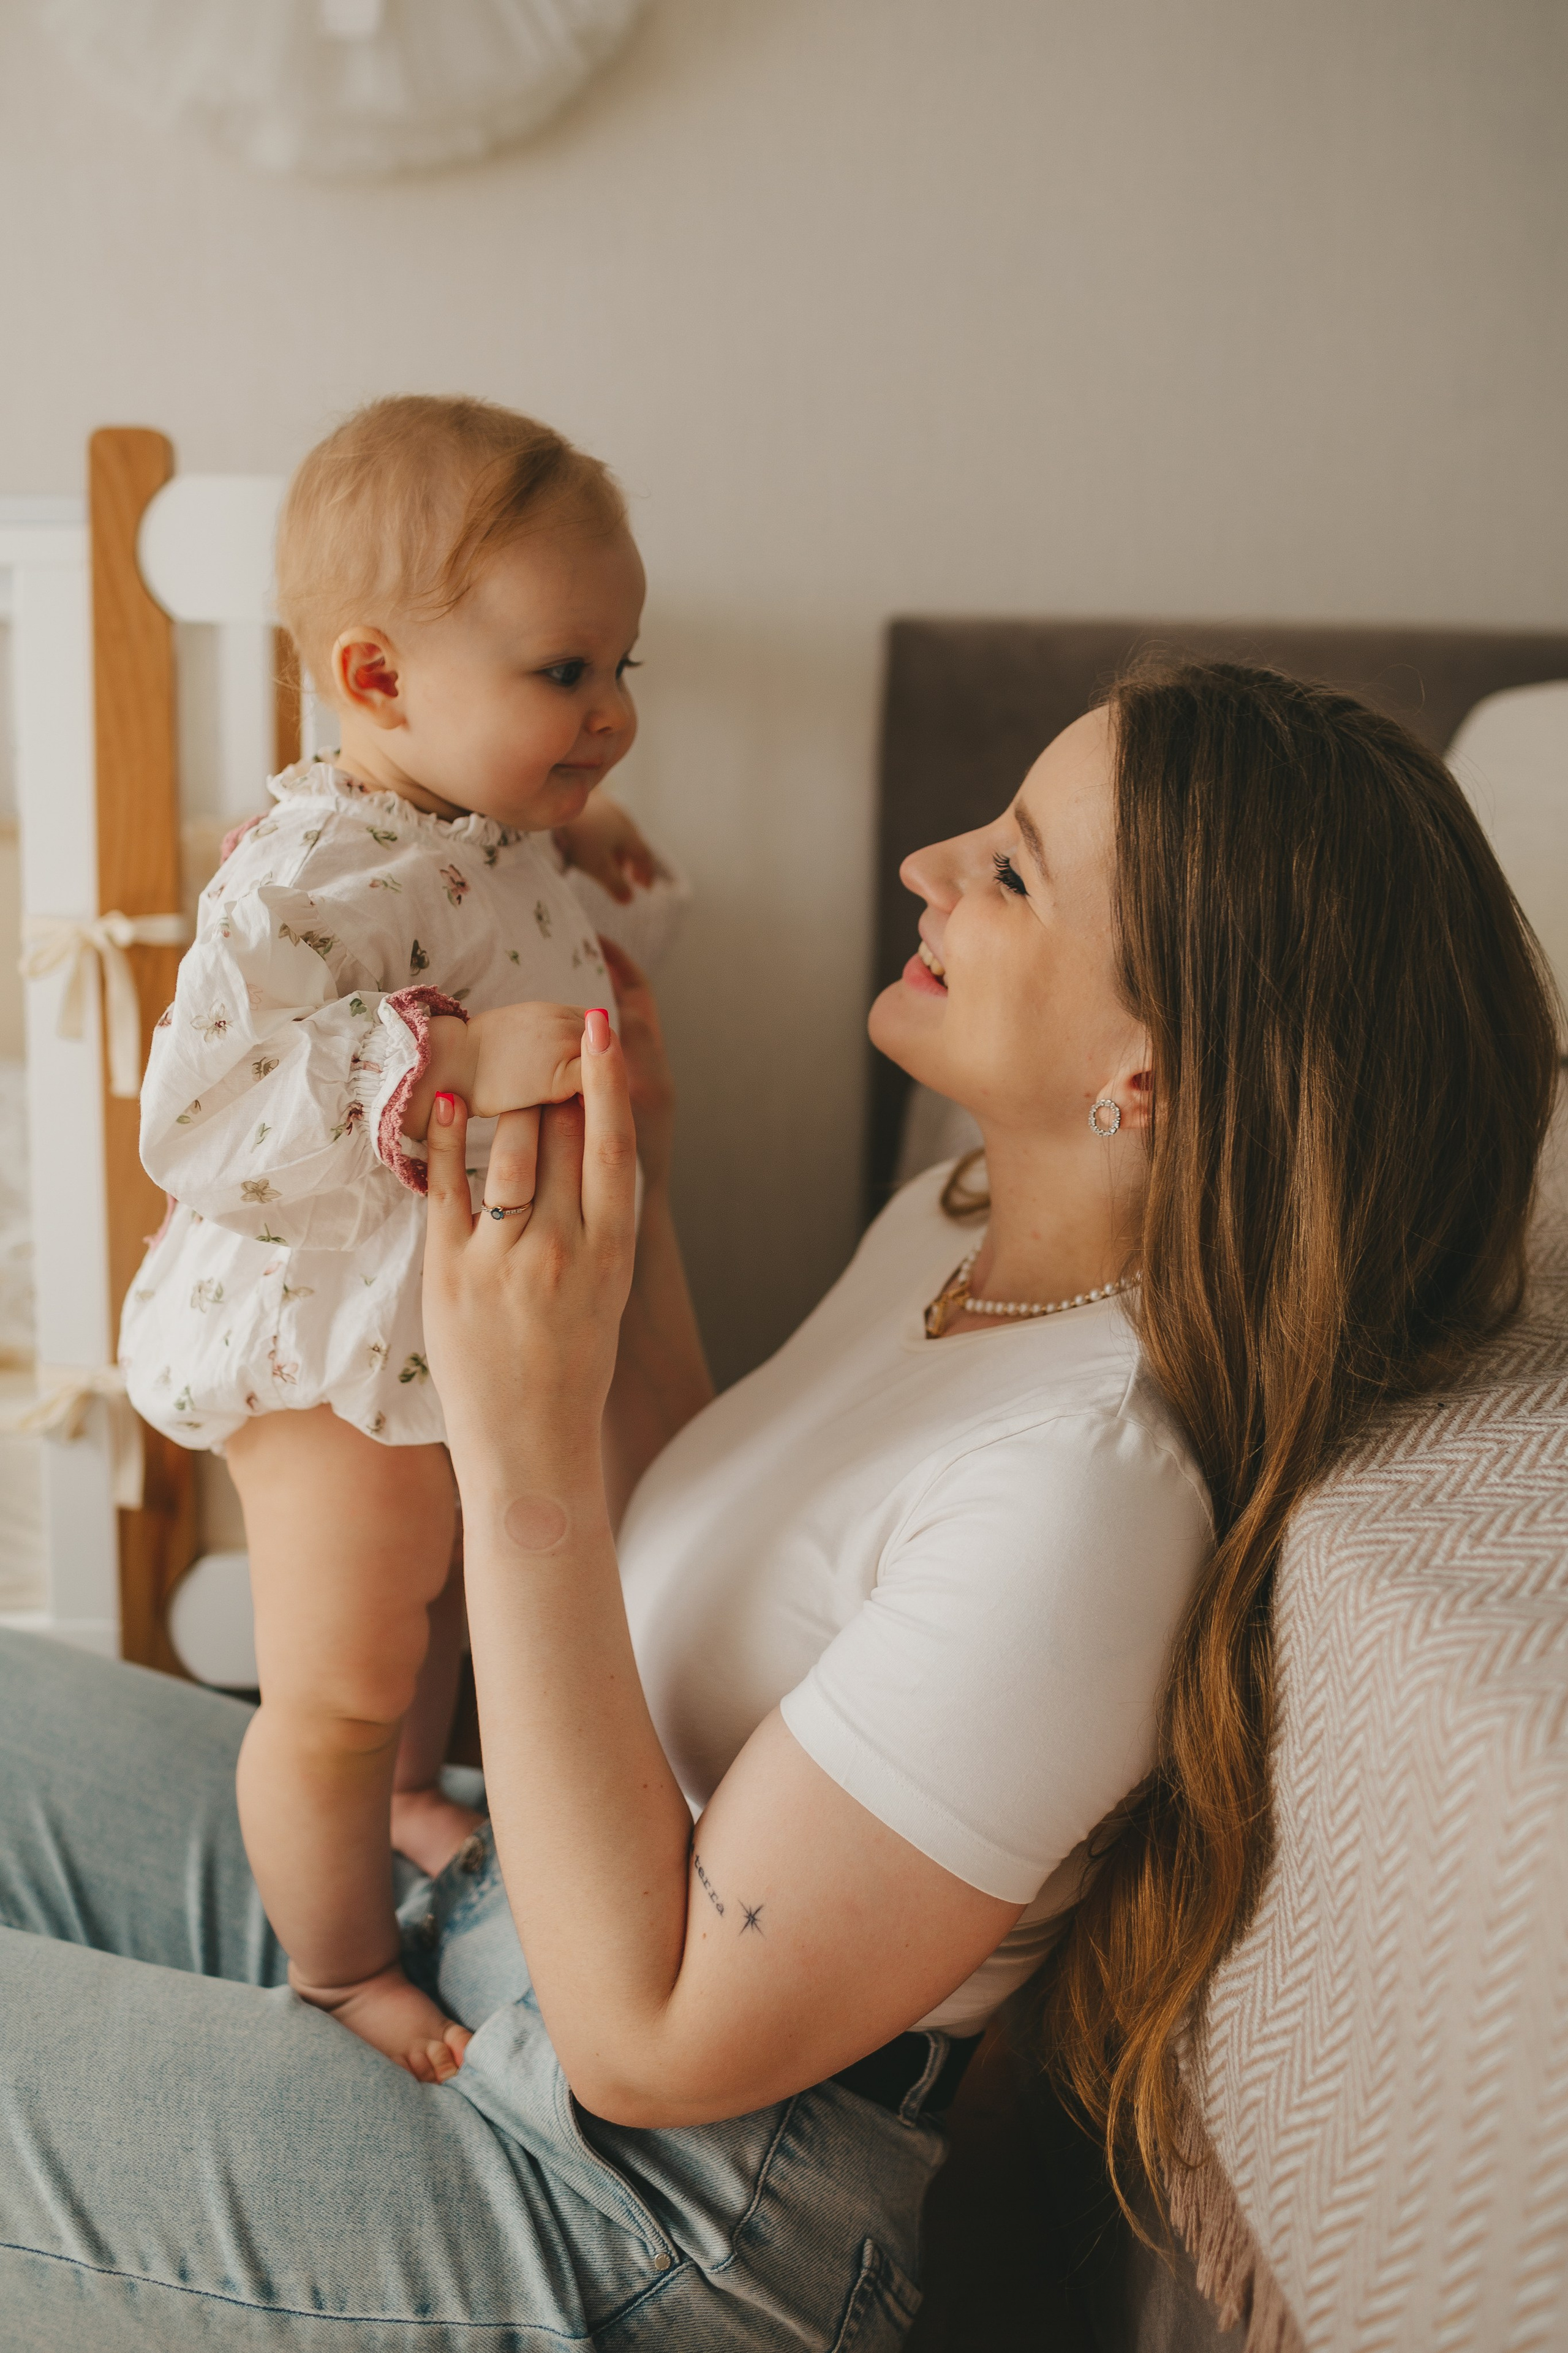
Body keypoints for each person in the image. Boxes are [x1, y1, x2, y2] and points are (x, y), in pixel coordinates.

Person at [0, 662, 1553, 2350]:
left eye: (1014, 869)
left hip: (653, 2212)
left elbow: (654, 2041)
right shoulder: (965, 1225)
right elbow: (696, 1527)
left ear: (1154, 1069)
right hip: (525, 1916)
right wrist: (631, 1175)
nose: (931, 865)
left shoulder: (1088, 1496)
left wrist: (516, 1461)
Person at [118, 394, 673, 2076]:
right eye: (565, 677)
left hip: (437, 1324)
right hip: (324, 1342)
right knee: (343, 1678)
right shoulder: (311, 873)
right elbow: (202, 1110)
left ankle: (421, 1796)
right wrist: (444, 1055)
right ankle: (338, 1962)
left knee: (443, 1610)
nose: (610, 715)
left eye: (622, 672)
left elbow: (494, 872)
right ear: (376, 682)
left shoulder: (476, 814)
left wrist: (574, 825)